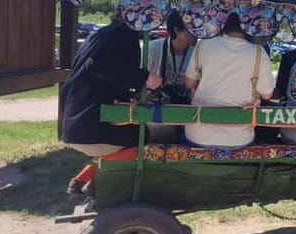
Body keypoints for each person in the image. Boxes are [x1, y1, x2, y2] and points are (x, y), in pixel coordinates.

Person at [61, 13, 162, 157]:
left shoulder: (101, 35)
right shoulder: (122, 34)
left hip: (76, 126)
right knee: (156, 134)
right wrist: (145, 77)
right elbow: (98, 64)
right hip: (94, 130)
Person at [184, 13, 275, 148]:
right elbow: (267, 94)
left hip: (198, 133)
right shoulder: (258, 52)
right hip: (238, 137)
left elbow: (189, 83)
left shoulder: (204, 44)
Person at [146, 10, 196, 142]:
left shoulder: (197, 52)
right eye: (193, 29)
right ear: (177, 30)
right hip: (158, 112)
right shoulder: (153, 49)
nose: (198, 33)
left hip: (188, 112)